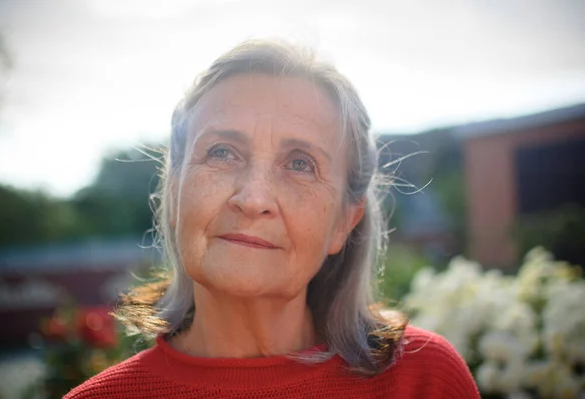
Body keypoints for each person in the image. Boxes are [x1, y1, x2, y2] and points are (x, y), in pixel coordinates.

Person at [65, 39, 480, 398]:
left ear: (343, 223)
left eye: (300, 164)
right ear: (175, 192)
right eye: (222, 153)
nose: (253, 199)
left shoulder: (424, 379)